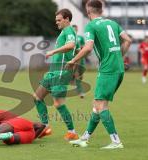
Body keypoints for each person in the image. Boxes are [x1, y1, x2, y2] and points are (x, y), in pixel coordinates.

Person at [67, 0, 132, 149]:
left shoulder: (91, 25)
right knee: (96, 105)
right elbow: (127, 40)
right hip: (118, 69)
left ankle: (116, 141)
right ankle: (85, 138)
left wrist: (73, 60)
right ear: (101, 10)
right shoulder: (112, 23)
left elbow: (88, 48)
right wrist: (119, 58)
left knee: (101, 105)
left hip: (108, 70)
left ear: (88, 11)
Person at [33, 8, 78, 141]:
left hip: (61, 73)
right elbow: (75, 48)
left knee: (58, 104)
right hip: (53, 72)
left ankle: (72, 131)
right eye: (56, 20)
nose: (57, 23)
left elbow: (70, 45)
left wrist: (53, 52)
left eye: (59, 20)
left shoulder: (69, 31)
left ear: (67, 19)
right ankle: (45, 127)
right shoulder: (64, 31)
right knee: (37, 97)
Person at [72, 24, 86, 98]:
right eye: (73, 29)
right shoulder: (70, 38)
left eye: (75, 29)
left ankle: (76, 83)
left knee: (81, 76)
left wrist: (80, 47)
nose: (74, 30)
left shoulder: (80, 38)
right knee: (77, 75)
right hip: (74, 58)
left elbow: (84, 47)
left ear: (77, 30)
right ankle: (80, 92)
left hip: (81, 58)